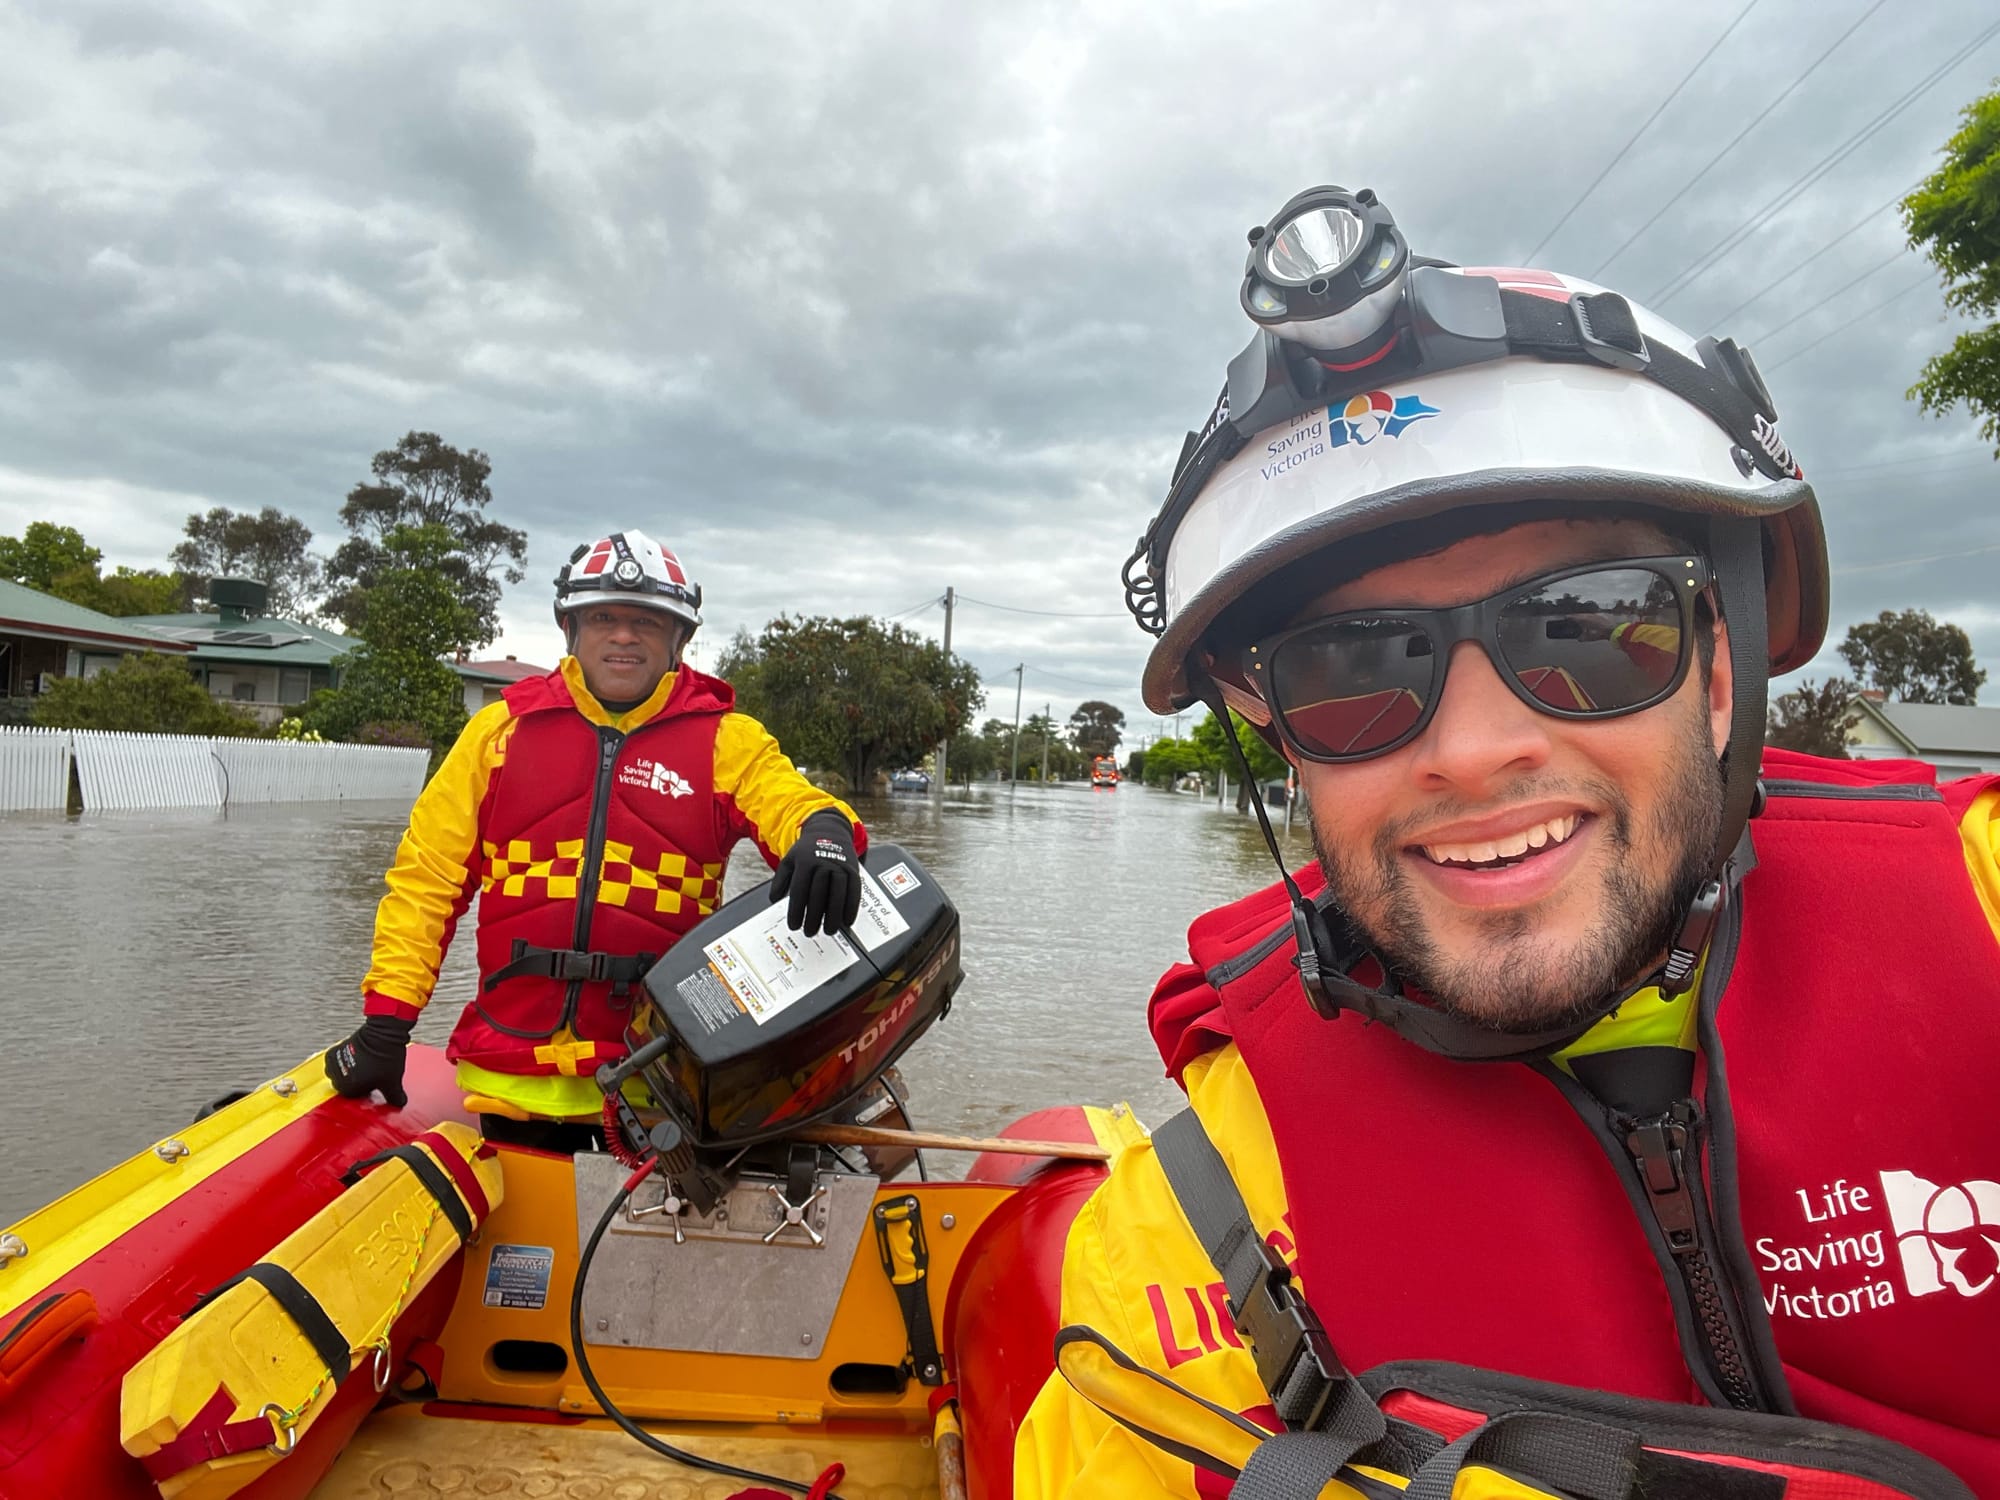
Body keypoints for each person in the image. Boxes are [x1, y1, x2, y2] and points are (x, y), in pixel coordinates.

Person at [1016, 188, 1998, 1495]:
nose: (1472, 751)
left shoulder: (1977, 913)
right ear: (1284, 742)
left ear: (1719, 670)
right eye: (1353, 668)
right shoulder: (1187, 1236)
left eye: (1585, 625)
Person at [325, 529, 867, 1132]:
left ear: (680, 639)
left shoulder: (726, 739)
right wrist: (387, 1021)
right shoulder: (498, 733)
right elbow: (427, 880)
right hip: (509, 1077)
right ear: (571, 629)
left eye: (649, 621)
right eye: (604, 616)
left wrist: (825, 829)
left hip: (653, 1082)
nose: (625, 635)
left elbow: (789, 802)